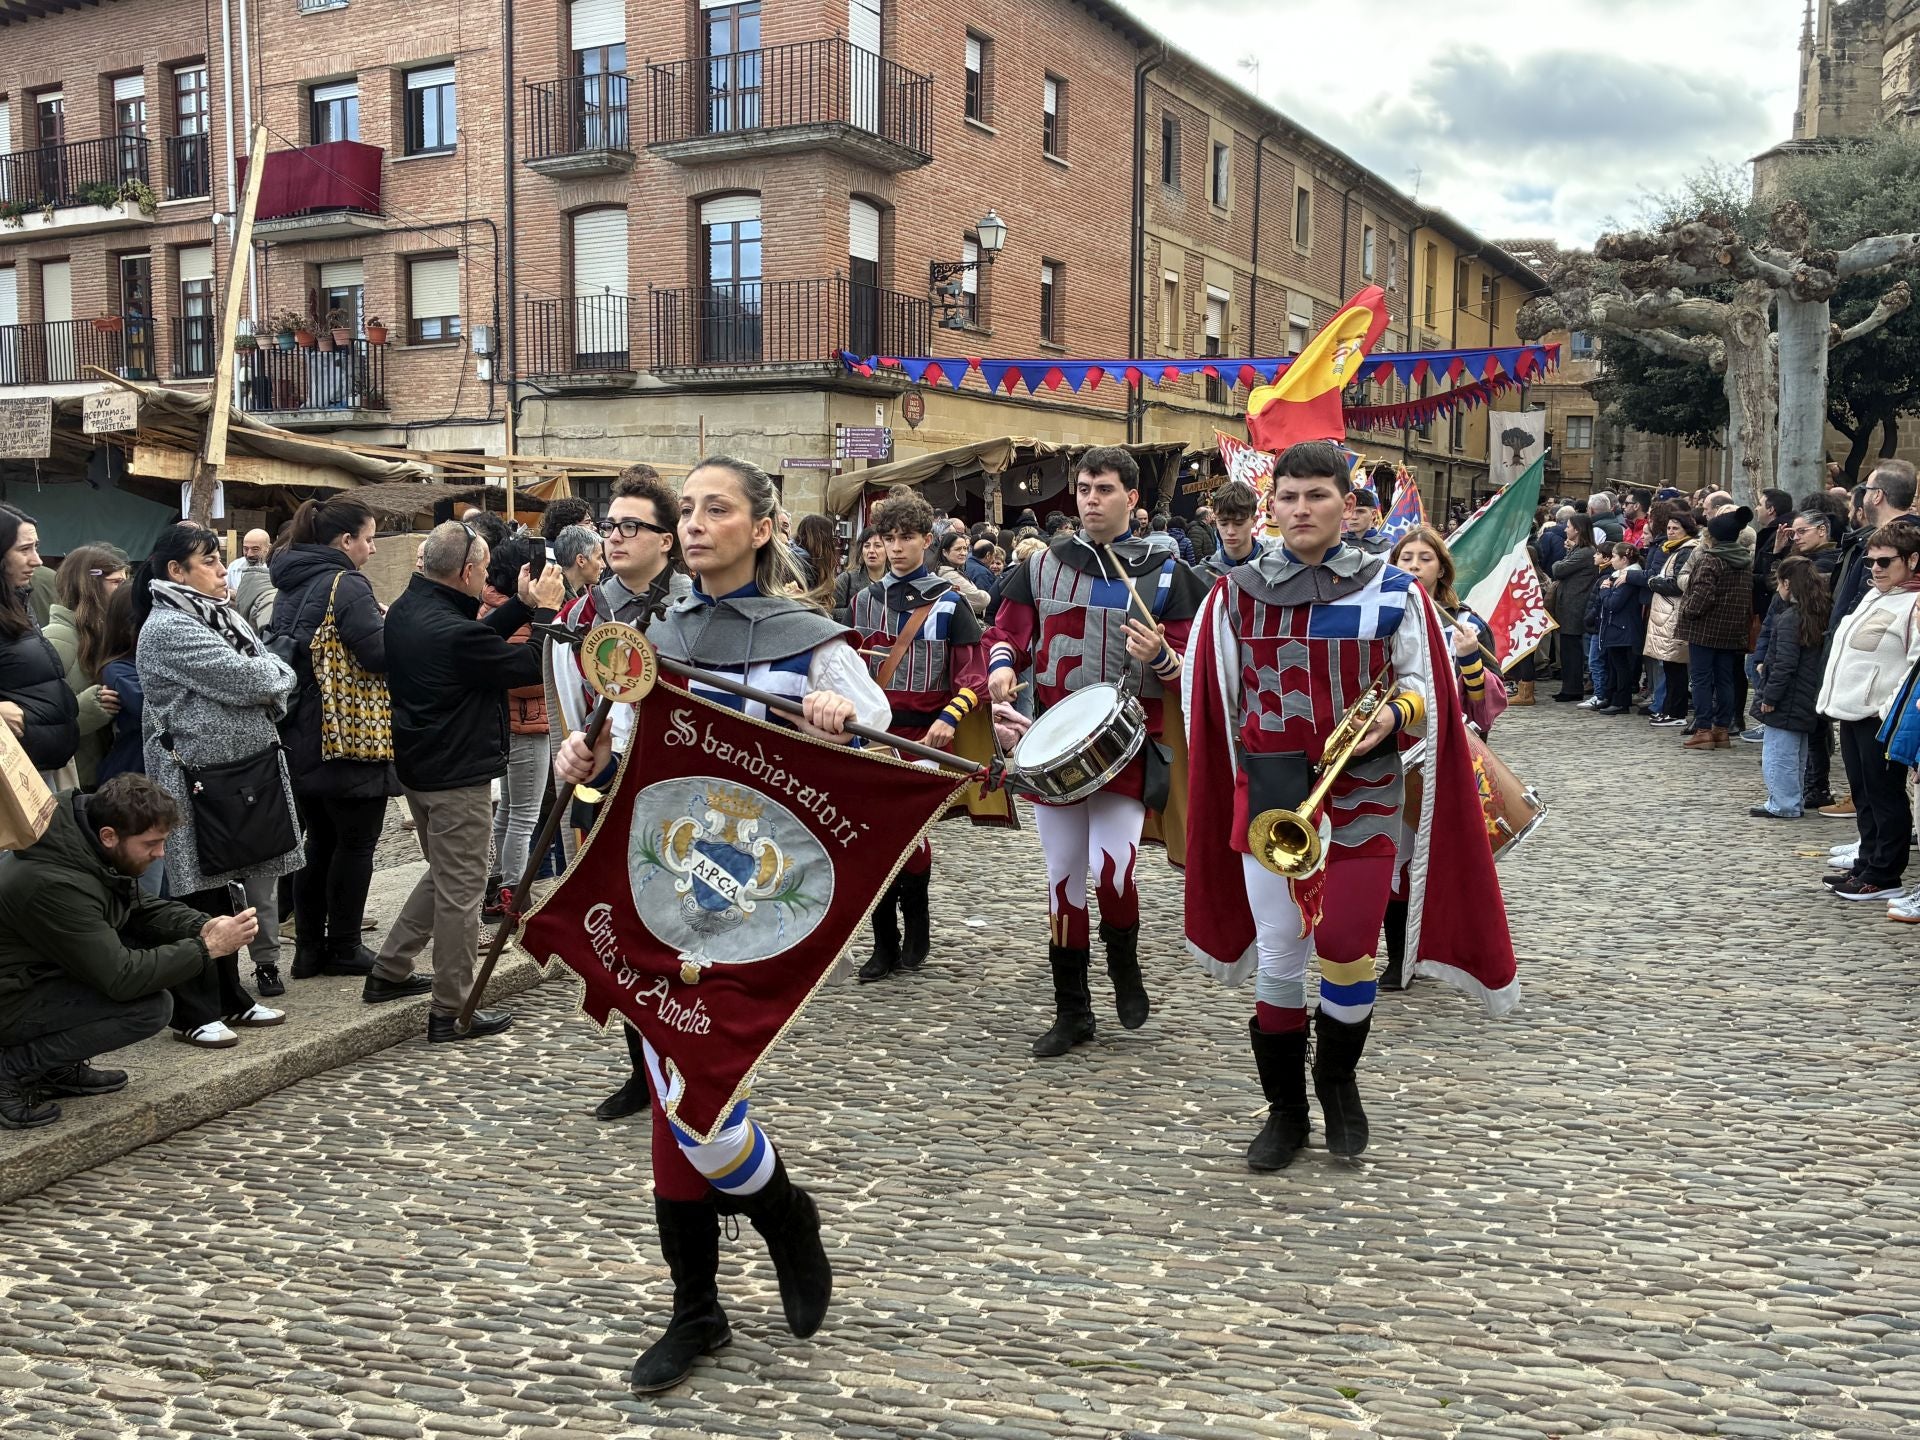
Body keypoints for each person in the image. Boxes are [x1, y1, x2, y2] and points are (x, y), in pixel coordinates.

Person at [554, 455, 889, 1394]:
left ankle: (782, 1217)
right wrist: (583, 754)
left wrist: (835, 720)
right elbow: (619, 758)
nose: (696, 525)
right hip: (663, 891)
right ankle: (702, 1303)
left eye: (717, 509)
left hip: (758, 903)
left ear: (763, 527)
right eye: (687, 511)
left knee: (693, 1101)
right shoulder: (653, 634)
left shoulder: (811, 641)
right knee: (683, 1094)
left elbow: (875, 741)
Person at [1182, 441, 1516, 1170]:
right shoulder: (1234, 593)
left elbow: (1425, 685)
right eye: (1289, 497)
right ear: (1272, 505)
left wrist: (1394, 718)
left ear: (1347, 505)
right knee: (1278, 955)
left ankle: (1337, 1084)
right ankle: (1284, 1111)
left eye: (1317, 497)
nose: (1301, 510)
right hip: (1270, 799)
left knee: (1346, 946)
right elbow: (1216, 700)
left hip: (1363, 794)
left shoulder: (1394, 591)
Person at [986, 446, 1208, 1059]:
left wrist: (1160, 657)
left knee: (1114, 872)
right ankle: (1073, 1011)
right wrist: (1003, 668)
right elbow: (1005, 634)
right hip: (1054, 746)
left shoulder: (1166, 574)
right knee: (1063, 885)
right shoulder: (1040, 567)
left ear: (1131, 499)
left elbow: (1198, 668)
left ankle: (1126, 967)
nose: (1090, 499)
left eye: (1104, 489)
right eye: (1084, 488)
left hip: (1126, 746)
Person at [375, 519, 566, 1040]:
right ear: (465, 571)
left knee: (444, 873)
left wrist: (523, 607)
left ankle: (389, 969)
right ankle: (449, 1009)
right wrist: (547, 610)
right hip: (455, 773)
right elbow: (525, 664)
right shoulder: (450, 629)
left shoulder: (410, 609)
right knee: (461, 891)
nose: (485, 579)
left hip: (421, 766)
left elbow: (478, 639)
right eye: (482, 569)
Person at [548, 469, 692, 1122]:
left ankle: (692, 1061)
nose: (616, 537)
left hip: (682, 796)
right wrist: (572, 752)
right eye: (610, 525)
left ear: (667, 541)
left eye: (632, 526)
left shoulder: (698, 610)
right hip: (606, 791)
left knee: (685, 939)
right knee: (623, 937)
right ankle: (643, 1070)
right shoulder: (581, 616)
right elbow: (568, 709)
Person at [0, 774, 261, 1129]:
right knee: (147, 1008)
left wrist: (200, 925)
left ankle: (52, 1069)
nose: (160, 853)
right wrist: (207, 948)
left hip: (32, 977)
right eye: (151, 843)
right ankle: (11, 1070)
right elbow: (121, 977)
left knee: (145, 979)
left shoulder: (82, 846)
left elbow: (138, 906)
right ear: (109, 836)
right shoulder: (52, 882)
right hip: (10, 995)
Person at [132, 522, 295, 1044]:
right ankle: (194, 1010)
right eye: (210, 561)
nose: (224, 571)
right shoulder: (170, 627)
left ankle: (230, 998)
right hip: (192, 776)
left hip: (228, 774)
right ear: (176, 571)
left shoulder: (215, 616)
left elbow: (266, 670)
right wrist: (276, 675)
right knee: (195, 890)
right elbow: (253, 677)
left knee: (222, 884)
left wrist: (273, 674)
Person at [849, 487, 988, 983]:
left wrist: (950, 718)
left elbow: (972, 675)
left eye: (906, 538)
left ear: (927, 540)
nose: (896, 548)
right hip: (872, 733)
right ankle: (882, 940)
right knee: (874, 837)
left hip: (925, 736)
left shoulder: (950, 604)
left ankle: (918, 926)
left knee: (909, 832)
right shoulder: (863, 599)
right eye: (888, 538)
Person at [267, 497, 401, 984]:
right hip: (347, 733)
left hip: (300, 732)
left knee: (317, 841)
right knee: (356, 843)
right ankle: (343, 945)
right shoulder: (348, 583)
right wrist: (393, 622)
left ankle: (308, 950)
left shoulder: (290, 582)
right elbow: (378, 653)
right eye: (368, 538)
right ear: (345, 541)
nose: (370, 548)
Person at [1382, 523, 1506, 990]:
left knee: (1435, 860)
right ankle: (1399, 959)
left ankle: (1440, 949)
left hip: (1440, 752)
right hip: (1393, 747)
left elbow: (1483, 701)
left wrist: (1469, 655)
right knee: (1395, 857)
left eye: (1424, 558)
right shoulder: (1382, 614)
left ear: (1441, 568)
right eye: (1406, 558)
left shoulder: (1465, 620)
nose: (1414, 565)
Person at [1816, 523, 1920, 900]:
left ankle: (1884, 873)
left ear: (1912, 560)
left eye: (1884, 561)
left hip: (1881, 715)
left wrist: (1890, 708)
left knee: (1885, 795)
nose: (1875, 568)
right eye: (1870, 561)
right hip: (1852, 710)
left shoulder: (1914, 603)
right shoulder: (1875, 595)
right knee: (1863, 792)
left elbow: (1915, 665)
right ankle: (1868, 860)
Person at [475, 537, 555, 925]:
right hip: (524, 721)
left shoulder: (494, 606)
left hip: (515, 722)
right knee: (524, 815)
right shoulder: (515, 614)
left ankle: (499, 886)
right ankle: (512, 895)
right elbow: (522, 676)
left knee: (509, 811)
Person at [0, 504, 79, 786]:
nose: (36, 560)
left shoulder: (16, 600)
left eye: (36, 547)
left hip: (33, 766)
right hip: (11, 775)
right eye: (24, 549)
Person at [1750, 556, 1831, 820]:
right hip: (1806, 694)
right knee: (1796, 753)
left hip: (1788, 696)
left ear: (1787, 583)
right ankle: (1790, 800)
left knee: (1779, 754)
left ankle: (1783, 803)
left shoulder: (1789, 618)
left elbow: (1784, 664)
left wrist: (1770, 696)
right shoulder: (1819, 613)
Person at [45, 544, 129, 789]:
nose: (124, 590)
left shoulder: (107, 634)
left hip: (105, 776)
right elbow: (37, 722)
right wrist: (89, 708)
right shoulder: (56, 639)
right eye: (116, 582)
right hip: (76, 782)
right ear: (89, 585)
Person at [1676, 505, 1755, 750]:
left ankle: (1703, 729)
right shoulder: (1744, 561)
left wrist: (1688, 611)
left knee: (1701, 679)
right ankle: (1721, 729)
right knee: (1725, 679)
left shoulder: (1711, 560)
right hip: (1731, 629)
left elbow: (1701, 595)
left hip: (1705, 628)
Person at [1641, 511, 1697, 727]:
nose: (1671, 532)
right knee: (1670, 666)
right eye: (1669, 528)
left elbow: (1677, 584)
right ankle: (1669, 709)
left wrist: (1654, 582)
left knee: (1675, 666)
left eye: (1676, 528)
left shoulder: (1687, 550)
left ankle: (1676, 712)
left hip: (1674, 612)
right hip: (1666, 613)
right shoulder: (1674, 549)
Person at [1591, 543, 1645, 716]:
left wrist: (1604, 591)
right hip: (1616, 627)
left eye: (1615, 556)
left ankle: (1622, 701)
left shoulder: (1628, 578)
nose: (1612, 560)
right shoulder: (1618, 576)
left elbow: (1613, 603)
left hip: (1623, 628)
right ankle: (1612, 696)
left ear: (1624, 559)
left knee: (1622, 667)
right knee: (1615, 665)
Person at [1549, 515, 1598, 702]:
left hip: (1575, 605)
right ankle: (1569, 686)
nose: (1565, 530)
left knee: (1571, 650)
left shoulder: (1585, 552)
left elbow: (1559, 569)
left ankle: (1572, 688)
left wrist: (1558, 563)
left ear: (1577, 529)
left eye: (1568, 527)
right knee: (1568, 649)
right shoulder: (1578, 549)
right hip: (1569, 603)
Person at [1200, 479, 1265, 580]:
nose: (1230, 531)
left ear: (1254, 521)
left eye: (1239, 523)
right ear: (1215, 520)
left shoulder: (1273, 566)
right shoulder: (1202, 575)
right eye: (1223, 523)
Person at [832, 526, 886, 625]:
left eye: (878, 546)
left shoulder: (895, 582)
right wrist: (860, 612)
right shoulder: (846, 579)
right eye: (866, 546)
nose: (871, 550)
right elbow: (829, 613)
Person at [933, 530, 991, 615]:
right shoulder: (949, 576)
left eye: (965, 548)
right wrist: (986, 594)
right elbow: (981, 600)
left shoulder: (954, 570)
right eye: (958, 549)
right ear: (945, 552)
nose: (963, 553)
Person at [551, 522, 606, 598]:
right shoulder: (553, 598)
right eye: (599, 557)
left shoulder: (581, 594)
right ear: (581, 560)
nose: (604, 565)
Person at [1343, 487, 1392, 555]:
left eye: (1360, 511)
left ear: (1373, 514)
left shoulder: (1387, 549)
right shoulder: (1333, 544)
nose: (1354, 517)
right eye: (1349, 511)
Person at [224, 528, 272, 597]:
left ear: (268, 548)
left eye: (255, 549)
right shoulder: (235, 566)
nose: (249, 554)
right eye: (246, 549)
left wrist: (235, 595)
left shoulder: (275, 570)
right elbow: (222, 592)